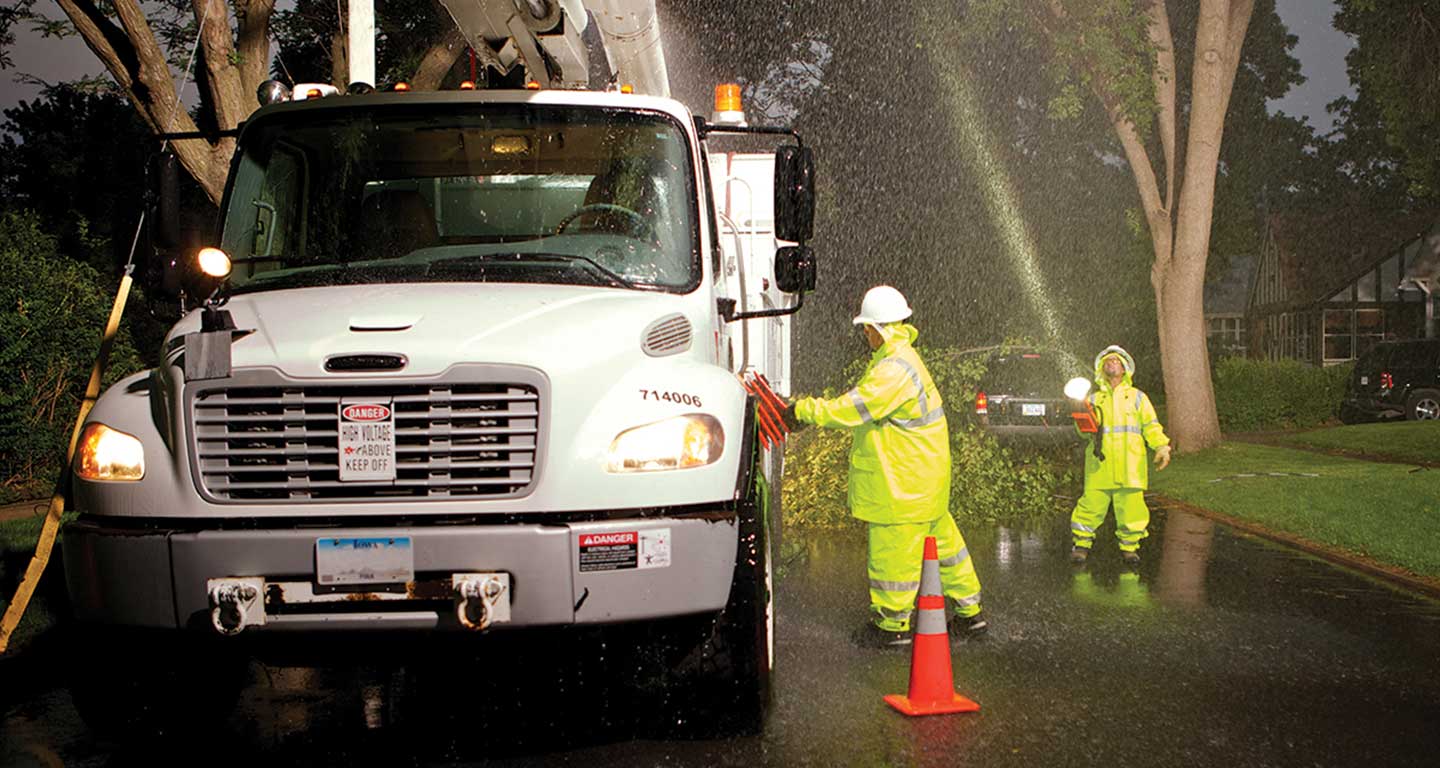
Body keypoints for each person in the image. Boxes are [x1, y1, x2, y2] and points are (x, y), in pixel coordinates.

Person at [784, 286, 986, 649]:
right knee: (945, 548)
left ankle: (892, 626)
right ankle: (971, 614)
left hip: (902, 486)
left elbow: (855, 409)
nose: (864, 334)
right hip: (925, 481)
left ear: (883, 327)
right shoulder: (901, 359)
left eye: (868, 327)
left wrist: (803, 410)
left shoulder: (893, 368)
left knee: (892, 556)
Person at [1069, 345, 1172, 567]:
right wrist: (1082, 418)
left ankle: (1129, 549)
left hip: (1130, 466)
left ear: (1125, 369)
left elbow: (1150, 425)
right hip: (1100, 465)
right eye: (1108, 361)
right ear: (1101, 369)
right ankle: (1081, 545)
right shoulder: (1094, 399)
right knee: (1090, 507)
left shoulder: (1137, 398)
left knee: (1132, 511)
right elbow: (1084, 433)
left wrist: (1162, 446)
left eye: (1116, 361)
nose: (1112, 363)